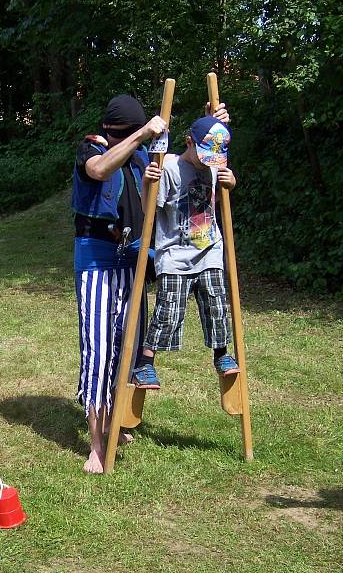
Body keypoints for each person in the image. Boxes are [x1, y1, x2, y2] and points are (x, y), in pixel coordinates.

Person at [72, 94, 230, 474]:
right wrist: (142, 132)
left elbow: (192, 157)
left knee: (128, 343)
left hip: (136, 258)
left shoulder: (144, 155)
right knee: (99, 349)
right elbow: (99, 171)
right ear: (118, 130)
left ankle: (115, 421)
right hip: (97, 260)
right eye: (133, 134)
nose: (141, 142)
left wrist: (212, 122)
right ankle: (96, 443)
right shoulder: (90, 149)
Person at [134, 116, 240, 386]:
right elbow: (148, 212)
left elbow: (219, 195)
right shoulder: (169, 167)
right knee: (168, 311)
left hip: (209, 251)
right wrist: (147, 183)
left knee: (217, 304)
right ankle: (145, 363)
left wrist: (231, 182)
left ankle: (222, 354)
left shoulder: (216, 165)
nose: (209, 162)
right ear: (188, 142)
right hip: (174, 255)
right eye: (203, 155)